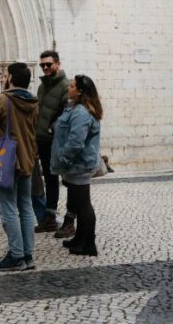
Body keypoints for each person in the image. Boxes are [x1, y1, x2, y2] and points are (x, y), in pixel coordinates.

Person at [0, 62, 39, 271]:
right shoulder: (33, 101)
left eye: (6, 75)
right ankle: (28, 254)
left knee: (8, 209)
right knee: (25, 206)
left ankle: (16, 256)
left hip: (7, 161)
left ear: (11, 78)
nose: (4, 77)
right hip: (27, 160)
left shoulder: (3, 99)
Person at [51, 74, 103, 257]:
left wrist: (63, 159)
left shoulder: (81, 112)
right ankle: (79, 238)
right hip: (75, 165)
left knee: (83, 204)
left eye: (72, 86)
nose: (68, 88)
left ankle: (88, 244)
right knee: (78, 203)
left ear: (80, 91)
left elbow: (75, 143)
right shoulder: (75, 108)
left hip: (78, 165)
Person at [35, 50, 73, 237]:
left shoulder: (66, 86)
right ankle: (49, 217)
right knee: (49, 179)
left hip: (56, 141)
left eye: (48, 64)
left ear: (57, 64)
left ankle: (69, 219)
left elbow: (66, 114)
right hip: (41, 140)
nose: (45, 68)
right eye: (42, 65)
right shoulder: (42, 87)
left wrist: (51, 128)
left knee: (65, 179)